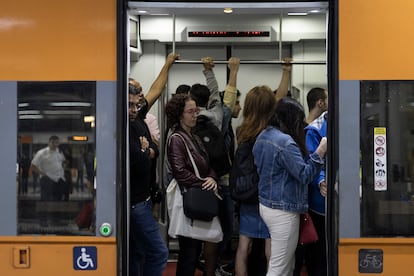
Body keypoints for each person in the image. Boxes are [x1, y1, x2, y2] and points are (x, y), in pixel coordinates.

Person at [253, 97, 327, 276]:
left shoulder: (263, 136)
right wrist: (320, 152)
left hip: (268, 205)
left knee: (285, 263)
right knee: (280, 266)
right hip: (283, 210)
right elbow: (305, 175)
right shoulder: (286, 143)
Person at [234, 59, 292, 276]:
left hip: (248, 193)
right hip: (269, 194)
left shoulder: (243, 131)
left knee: (243, 246)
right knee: (272, 248)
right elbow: (280, 98)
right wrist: (286, 72)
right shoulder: (271, 132)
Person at [128, 52, 179, 276]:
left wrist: (167, 64)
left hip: (145, 199)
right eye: (129, 105)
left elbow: (156, 90)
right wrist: (144, 151)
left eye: (136, 105)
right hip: (135, 204)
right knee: (158, 253)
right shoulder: (124, 126)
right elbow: (135, 161)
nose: (133, 109)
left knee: (137, 253)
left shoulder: (138, 117)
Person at [165, 93, 220, 276]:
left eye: (196, 111)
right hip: (189, 198)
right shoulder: (176, 139)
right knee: (188, 253)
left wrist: (211, 178)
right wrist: (204, 182)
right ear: (180, 114)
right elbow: (180, 172)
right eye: (190, 111)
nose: (195, 115)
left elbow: (207, 164)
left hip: (196, 195)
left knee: (193, 252)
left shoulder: (193, 136)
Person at [31, 135, 66, 201]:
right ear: (49, 142)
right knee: (46, 200)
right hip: (47, 180)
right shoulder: (42, 153)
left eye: (56, 142)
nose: (54, 144)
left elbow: (63, 161)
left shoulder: (59, 152)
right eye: (53, 142)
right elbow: (33, 166)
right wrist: (43, 174)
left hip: (59, 179)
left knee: (58, 200)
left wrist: (62, 169)